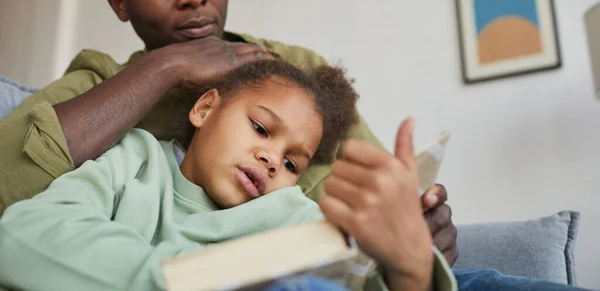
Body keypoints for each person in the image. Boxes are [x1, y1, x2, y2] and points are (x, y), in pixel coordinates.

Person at [0, 0, 457, 264]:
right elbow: (10, 185)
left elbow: (378, 189)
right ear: (121, 3)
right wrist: (168, 67)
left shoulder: (298, 68)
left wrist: (418, 226)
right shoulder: (99, 86)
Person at [0, 60, 452, 291]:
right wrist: (185, 278)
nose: (274, 160)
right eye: (260, 128)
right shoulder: (134, 160)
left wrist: (407, 263)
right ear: (205, 108)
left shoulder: (289, 210)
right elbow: (23, 236)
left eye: (293, 163)